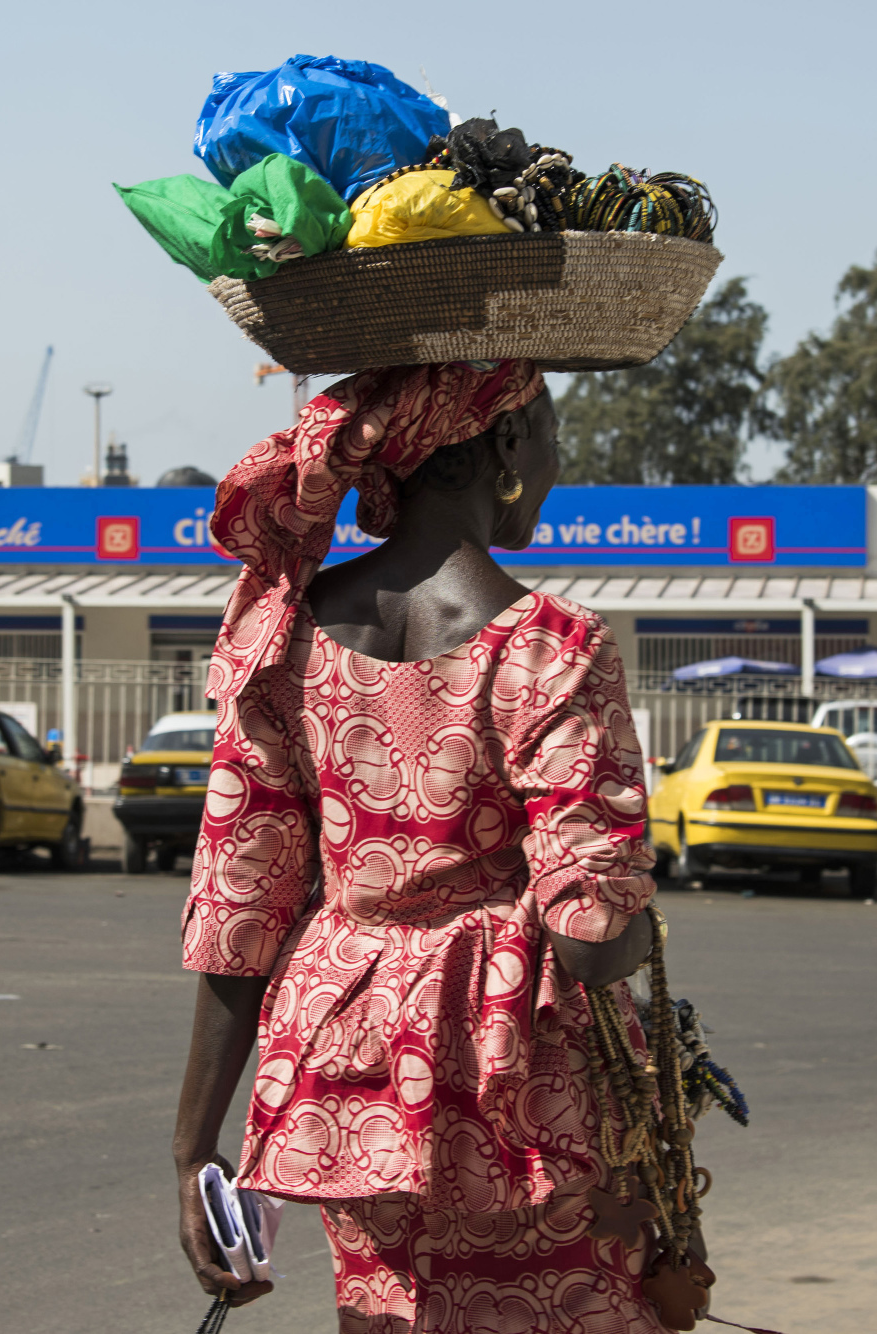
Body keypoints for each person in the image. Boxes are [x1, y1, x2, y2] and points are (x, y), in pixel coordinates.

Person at [173, 361, 676, 1332]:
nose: (558, 463)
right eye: (552, 439)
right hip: (513, 1080)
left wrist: (192, 1147)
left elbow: (242, 901)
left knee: (387, 1307)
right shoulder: (552, 647)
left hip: (344, 1069)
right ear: (505, 446)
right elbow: (590, 932)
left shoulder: (286, 637)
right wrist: (634, 924)